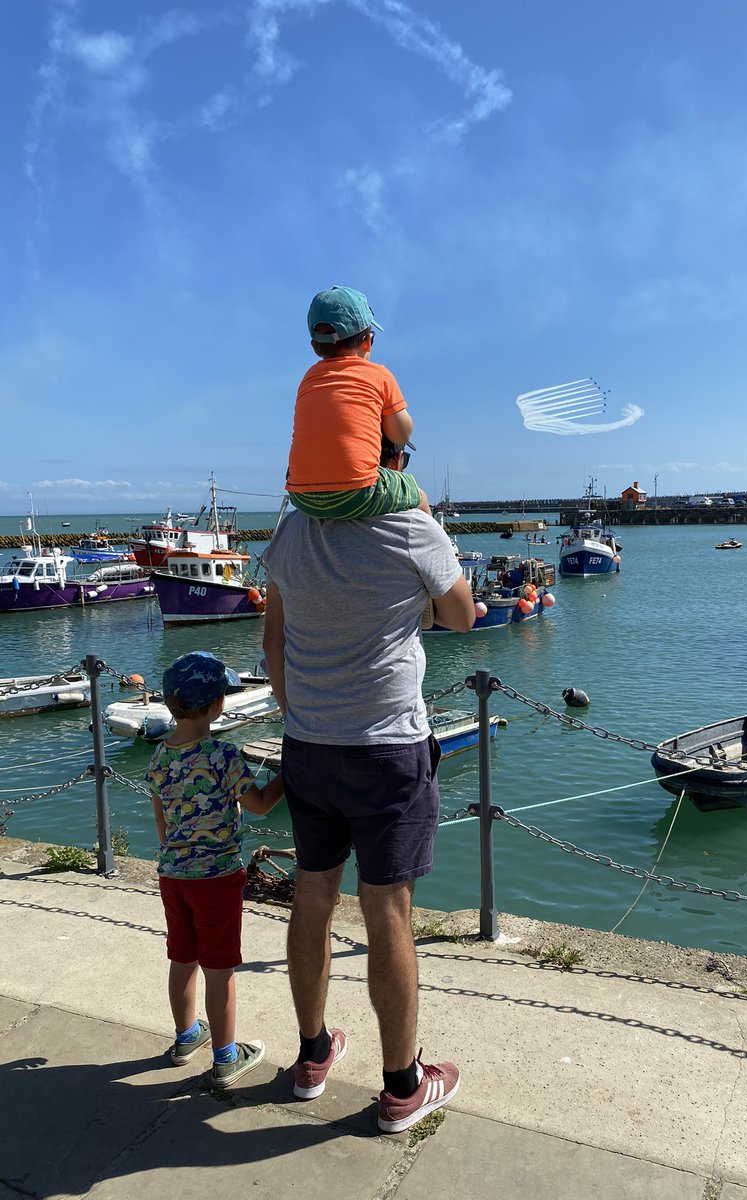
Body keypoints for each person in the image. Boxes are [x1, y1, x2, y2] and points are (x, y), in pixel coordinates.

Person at [262, 442, 475, 1132]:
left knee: (312, 893)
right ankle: (401, 1086)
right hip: (387, 748)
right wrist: (424, 513)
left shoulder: (293, 527)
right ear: (392, 460)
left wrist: (299, 714)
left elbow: (274, 640)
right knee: (387, 910)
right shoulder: (411, 524)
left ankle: (313, 1055)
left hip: (309, 745)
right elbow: (461, 616)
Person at [147, 651, 284, 1087]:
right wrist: (292, 773)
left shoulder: (159, 758)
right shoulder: (223, 755)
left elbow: (162, 823)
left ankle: (186, 1036)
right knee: (220, 969)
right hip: (218, 878)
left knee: (181, 957)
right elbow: (260, 806)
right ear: (217, 704)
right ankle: (226, 1057)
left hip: (173, 875)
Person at [285, 285, 430, 519]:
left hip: (301, 497)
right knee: (419, 496)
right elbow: (401, 434)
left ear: (314, 347)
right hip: (357, 494)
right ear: (368, 342)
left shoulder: (308, 379)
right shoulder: (380, 375)